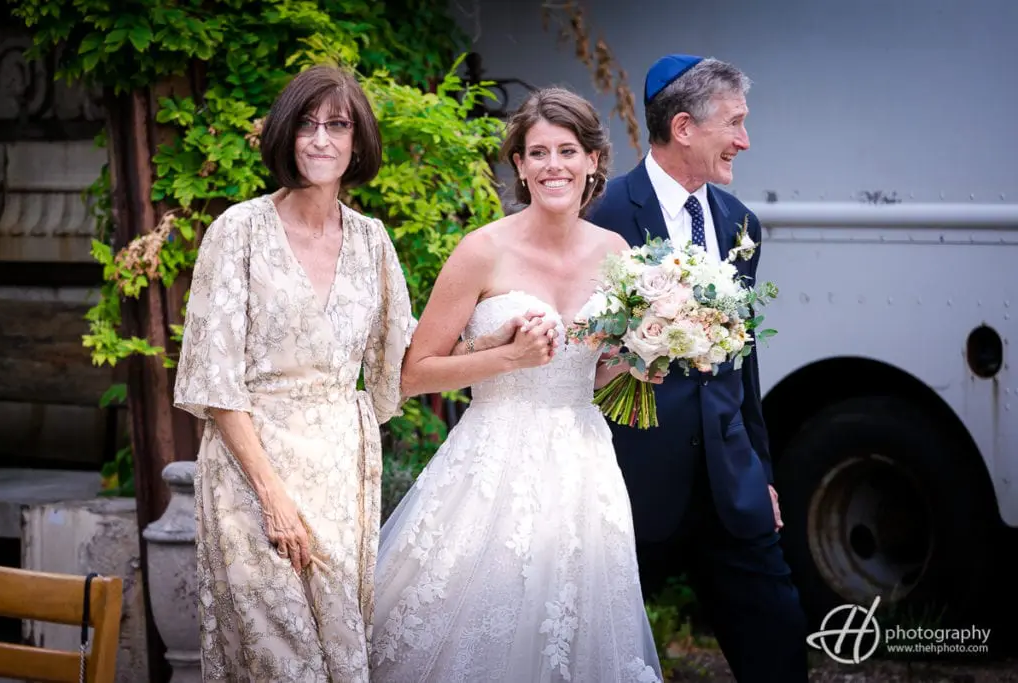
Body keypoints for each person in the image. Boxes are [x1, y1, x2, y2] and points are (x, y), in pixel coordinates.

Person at [173, 64, 537, 682]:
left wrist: (498, 347)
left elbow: (403, 369)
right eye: (308, 125)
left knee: (339, 653)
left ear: (356, 140)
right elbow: (215, 382)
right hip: (250, 469)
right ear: (286, 136)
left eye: (337, 125)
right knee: (280, 658)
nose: (321, 139)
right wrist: (273, 498)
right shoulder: (238, 231)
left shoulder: (371, 242)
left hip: (341, 469)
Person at [368, 87, 664, 683]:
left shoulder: (618, 255)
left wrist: (640, 365)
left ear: (592, 162)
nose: (553, 165)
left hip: (584, 461)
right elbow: (413, 373)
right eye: (537, 153)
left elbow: (592, 371)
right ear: (521, 169)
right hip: (493, 461)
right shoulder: (482, 250)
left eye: (567, 151)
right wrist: (508, 357)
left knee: (574, 620)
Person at [586, 54, 810, 682]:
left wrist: (759, 470)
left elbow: (746, 359)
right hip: (630, 478)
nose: (745, 139)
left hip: (730, 478)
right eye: (734, 123)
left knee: (778, 639)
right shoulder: (602, 219)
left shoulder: (742, 224)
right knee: (596, 654)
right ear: (684, 127)